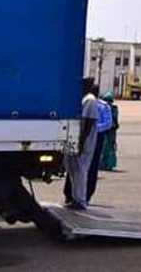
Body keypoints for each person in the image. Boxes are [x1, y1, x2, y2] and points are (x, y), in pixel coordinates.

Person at [63, 78, 99, 210]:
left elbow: (88, 123)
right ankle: (75, 198)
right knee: (72, 169)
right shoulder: (82, 98)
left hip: (84, 141)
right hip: (76, 139)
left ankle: (80, 200)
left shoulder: (90, 100)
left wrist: (81, 142)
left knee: (81, 170)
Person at [99, 92, 119, 171]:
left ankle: (107, 164)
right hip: (107, 130)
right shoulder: (111, 108)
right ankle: (105, 164)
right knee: (106, 147)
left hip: (109, 130)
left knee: (108, 147)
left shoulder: (111, 109)